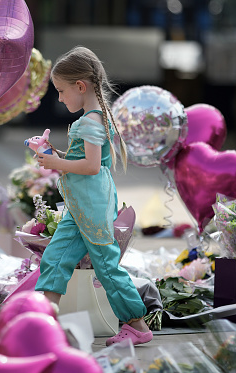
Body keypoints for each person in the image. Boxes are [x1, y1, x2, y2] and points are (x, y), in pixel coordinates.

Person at [34, 46, 152, 346]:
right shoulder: (91, 118)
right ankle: (44, 322)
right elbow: (86, 161)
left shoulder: (91, 121)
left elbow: (90, 166)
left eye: (61, 91)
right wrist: (53, 154)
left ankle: (137, 324)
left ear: (80, 86)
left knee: (106, 266)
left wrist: (55, 163)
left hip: (92, 207)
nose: (59, 98)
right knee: (55, 258)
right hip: (79, 207)